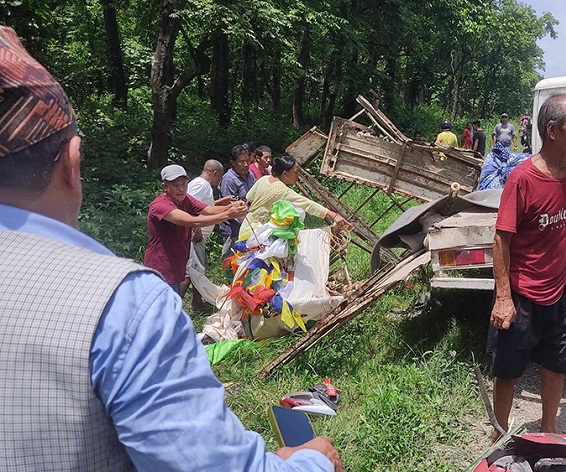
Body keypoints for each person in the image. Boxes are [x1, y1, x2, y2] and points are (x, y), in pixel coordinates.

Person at [0, 26, 342, 471]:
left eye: (185, 182)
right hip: (174, 265)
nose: (183, 187)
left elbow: (206, 205)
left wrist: (225, 206)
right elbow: (198, 218)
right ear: (72, 163)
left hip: (213, 253)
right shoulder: (125, 303)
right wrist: (310, 463)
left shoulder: (204, 194)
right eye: (177, 182)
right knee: (191, 300)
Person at [488, 94, 566, 437]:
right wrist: (503, 297)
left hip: (559, 290)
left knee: (555, 365)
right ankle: (498, 436)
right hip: (522, 294)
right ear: (552, 131)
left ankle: (548, 433)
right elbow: (501, 239)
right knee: (508, 371)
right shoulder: (522, 179)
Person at [144, 164, 247, 295]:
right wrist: (229, 214)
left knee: (173, 303)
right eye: (176, 186)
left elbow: (208, 210)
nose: (181, 189)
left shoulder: (186, 199)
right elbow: (193, 221)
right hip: (161, 265)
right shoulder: (160, 205)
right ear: (165, 187)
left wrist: (232, 206)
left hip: (177, 262)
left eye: (184, 184)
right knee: (163, 307)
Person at [240, 154, 350, 238]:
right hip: (259, 234)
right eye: (296, 172)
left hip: (246, 226)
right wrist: (334, 215)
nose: (297, 176)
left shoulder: (264, 179)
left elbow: (249, 197)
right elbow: (307, 204)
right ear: (285, 174)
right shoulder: (283, 191)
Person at [185, 159, 231, 308]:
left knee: (198, 270)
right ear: (216, 173)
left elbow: (201, 206)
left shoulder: (201, 185)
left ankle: (197, 302)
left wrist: (222, 202)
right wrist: (196, 229)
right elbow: (188, 208)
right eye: (220, 176)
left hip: (197, 236)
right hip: (194, 235)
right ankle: (173, 306)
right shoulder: (201, 185)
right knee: (189, 273)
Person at [220, 144, 256, 259]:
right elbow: (230, 206)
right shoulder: (229, 179)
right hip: (233, 227)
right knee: (231, 258)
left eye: (247, 161)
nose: (245, 165)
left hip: (249, 223)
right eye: (241, 162)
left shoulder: (250, 175)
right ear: (233, 163)